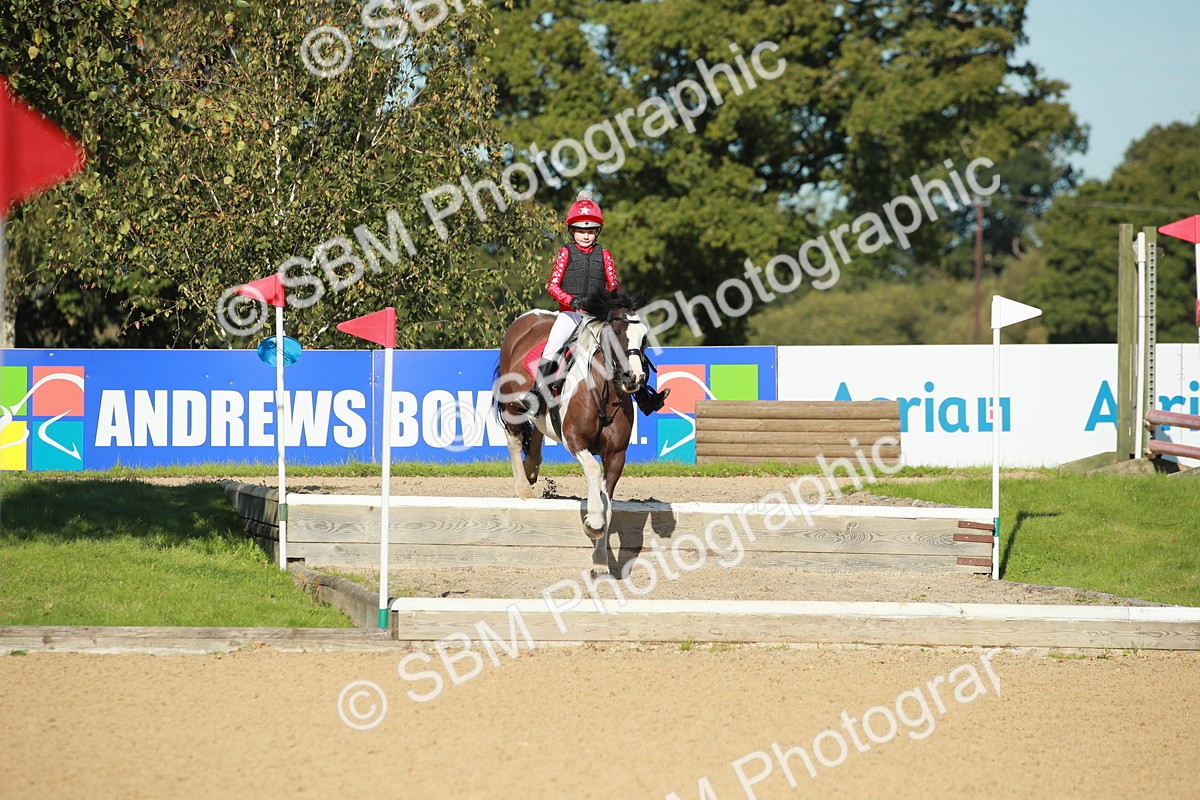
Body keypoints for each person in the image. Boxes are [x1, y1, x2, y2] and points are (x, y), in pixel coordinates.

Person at [534, 190, 670, 416]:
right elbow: (552, 286)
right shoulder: (565, 253)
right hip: (570, 314)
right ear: (572, 231)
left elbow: (613, 285)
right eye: (580, 231)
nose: (585, 236)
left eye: (590, 231)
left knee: (628, 346)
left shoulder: (604, 254)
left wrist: (621, 305)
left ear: (597, 232)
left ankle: (645, 396)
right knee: (552, 347)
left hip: (597, 317)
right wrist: (571, 300)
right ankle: (537, 397)